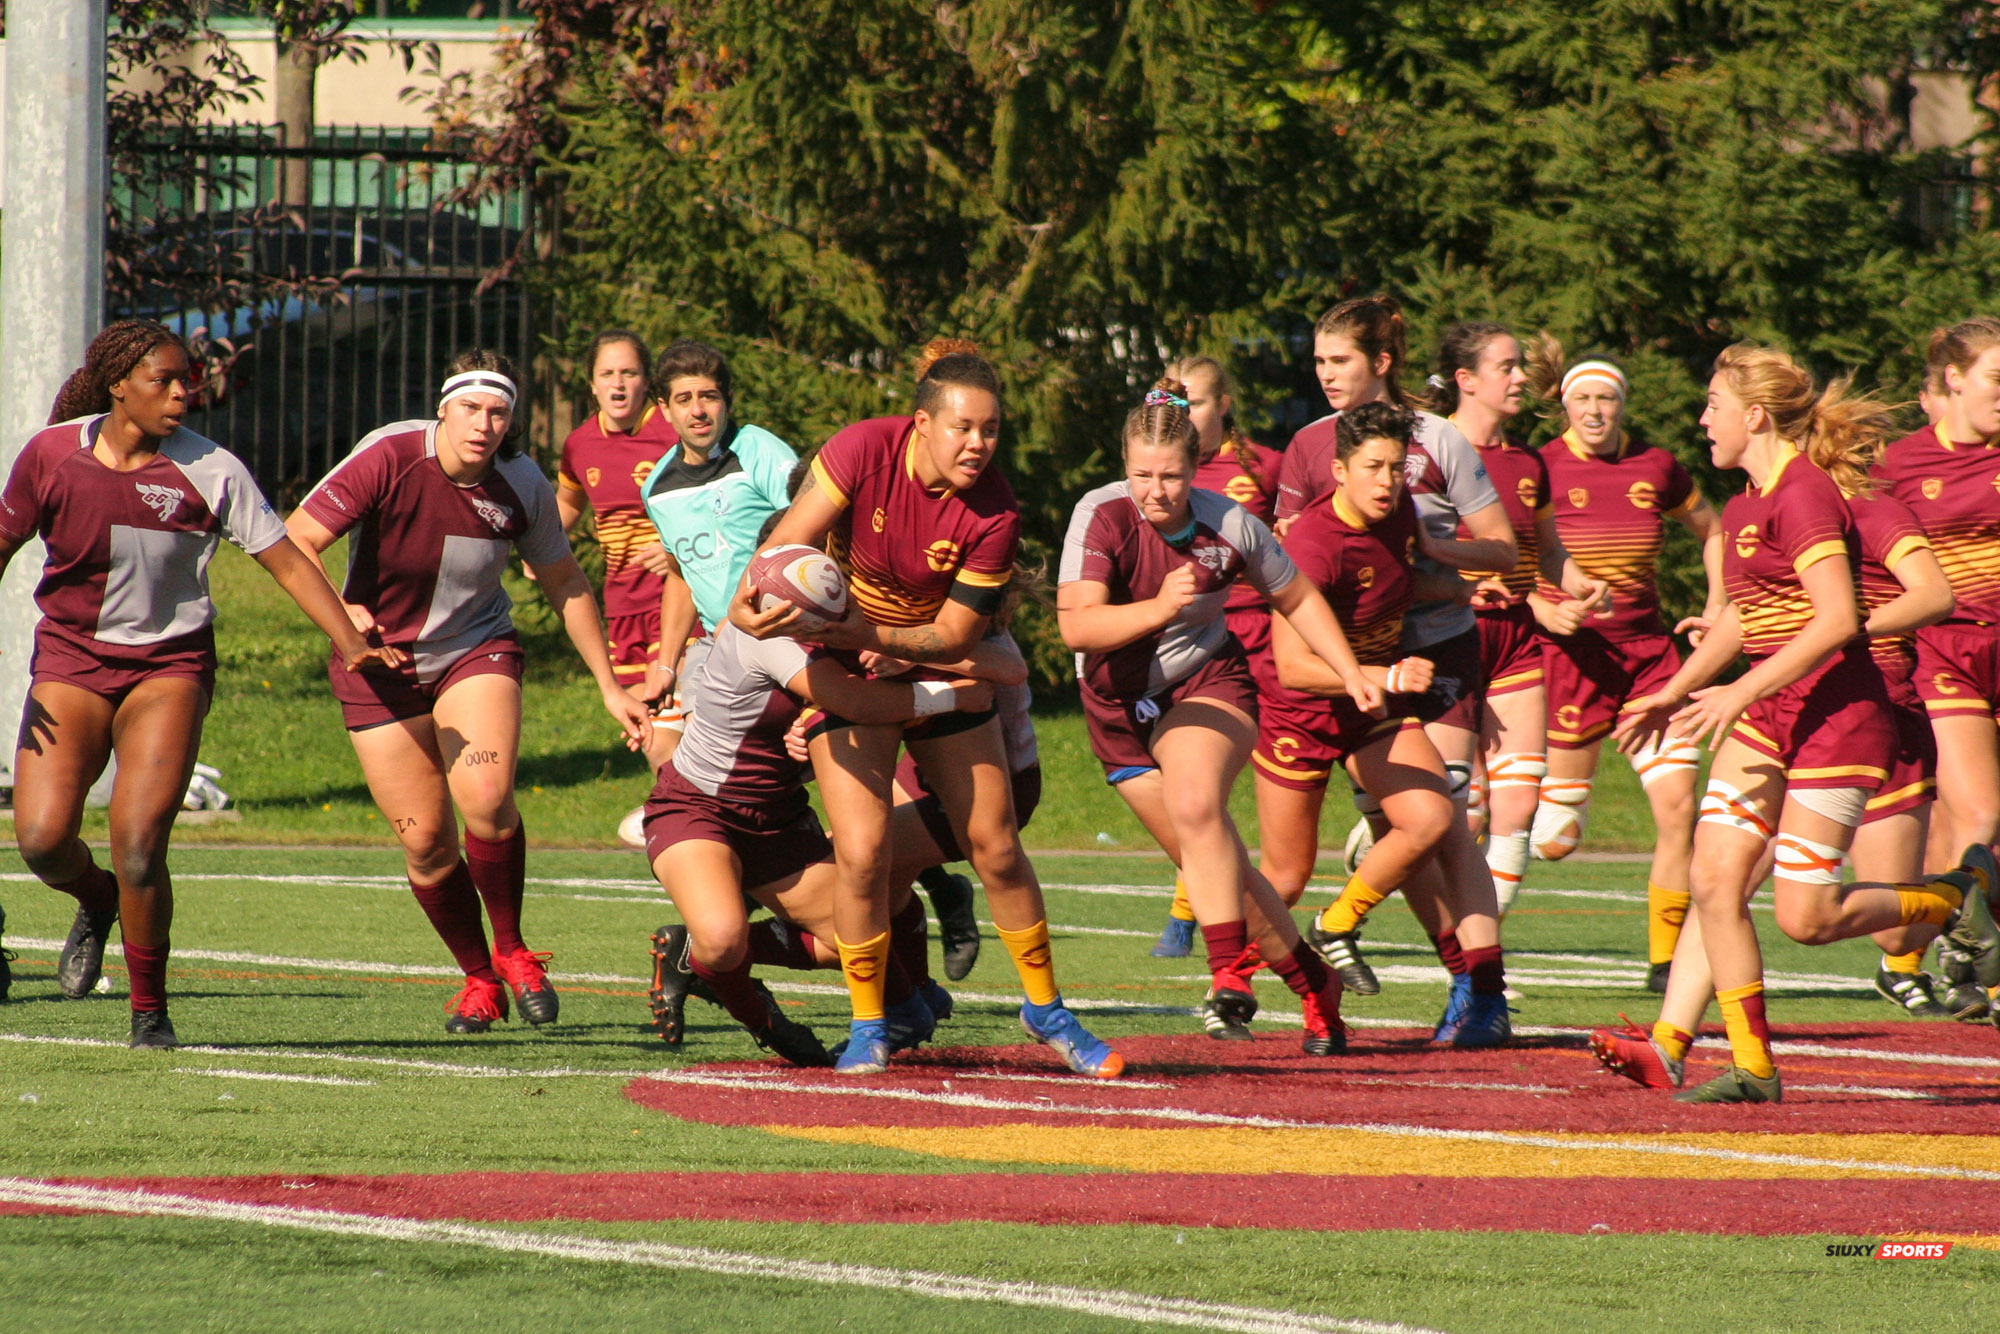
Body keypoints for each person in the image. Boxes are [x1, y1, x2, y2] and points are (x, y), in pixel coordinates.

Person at [1593, 345, 1996, 1104]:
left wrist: (1736, 693)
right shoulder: (1746, 503)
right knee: (1714, 880)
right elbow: (1749, 617)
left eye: (1712, 404)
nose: (1701, 418)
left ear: (1753, 415)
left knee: (1807, 918)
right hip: (1771, 709)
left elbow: (1845, 617)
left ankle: (1957, 894)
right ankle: (1749, 1067)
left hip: (1838, 716)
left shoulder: (1811, 495)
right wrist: (1675, 689)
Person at [0, 319, 398, 1047]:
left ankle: (149, 1012)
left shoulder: (211, 468)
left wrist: (350, 642)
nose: (186, 393)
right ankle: (98, 900)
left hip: (168, 667)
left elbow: (285, 562)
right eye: (167, 380)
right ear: (119, 386)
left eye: (190, 379)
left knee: (140, 842)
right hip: (72, 662)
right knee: (42, 840)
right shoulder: (52, 455)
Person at [735, 345, 1123, 1077]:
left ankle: (1047, 1010)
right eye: (963, 427)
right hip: (849, 672)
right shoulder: (860, 450)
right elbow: (789, 541)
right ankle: (869, 1025)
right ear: (921, 424)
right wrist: (749, 599)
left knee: (997, 844)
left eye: (991, 430)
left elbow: (954, 636)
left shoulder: (996, 511)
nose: (978, 444)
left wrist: (868, 634)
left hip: (926, 659)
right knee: (862, 852)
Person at [288, 349, 651, 1034]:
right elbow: (297, 540)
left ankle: (514, 950)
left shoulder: (522, 484)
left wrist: (610, 686)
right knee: (425, 842)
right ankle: (479, 978)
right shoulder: (389, 455)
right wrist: (344, 614)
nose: (483, 425)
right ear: (445, 408)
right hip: (376, 666)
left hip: (472, 650)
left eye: (498, 412)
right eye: (472, 409)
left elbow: (565, 581)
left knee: (485, 798)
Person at [1059, 381, 1372, 1053]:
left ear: (1196, 465)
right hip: (1115, 712)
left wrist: (1349, 671)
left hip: (1204, 683)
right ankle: (1315, 983)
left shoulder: (1229, 525)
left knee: (1197, 802)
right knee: (1216, 862)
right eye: (1142, 474)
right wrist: (1158, 607)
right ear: (1124, 464)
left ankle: (1229, 973)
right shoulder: (1100, 515)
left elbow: (1299, 599)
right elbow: (1079, 629)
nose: (1156, 490)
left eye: (1170, 476)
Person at [1256, 401, 1517, 1045]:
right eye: (1372, 467)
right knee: (1284, 875)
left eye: (1396, 468)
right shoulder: (1312, 546)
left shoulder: (1397, 510)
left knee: (1433, 819)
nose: (1386, 481)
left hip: (1369, 703)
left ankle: (1336, 926)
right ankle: (1231, 976)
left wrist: (1456, 588)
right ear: (1339, 470)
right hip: (1303, 709)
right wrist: (1382, 677)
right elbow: (1291, 665)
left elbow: (1394, 583)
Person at [639, 599, 996, 1068]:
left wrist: (814, 731)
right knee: (724, 938)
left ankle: (695, 957)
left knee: (858, 934)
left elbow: (1003, 667)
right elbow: (857, 703)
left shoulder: (848, 638)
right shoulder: (761, 635)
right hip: (699, 807)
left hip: (779, 819)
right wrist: (955, 694)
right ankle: (764, 1021)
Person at [1523, 340, 1726, 992]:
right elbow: (1506, 549)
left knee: (1676, 810)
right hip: (1572, 660)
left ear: (1622, 405)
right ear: (1564, 405)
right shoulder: (1541, 467)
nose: (1594, 410)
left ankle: (1664, 963)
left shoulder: (1658, 467)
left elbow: (1713, 529)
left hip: (1649, 661)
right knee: (1556, 836)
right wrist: (1540, 603)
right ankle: (1495, 827)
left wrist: (1719, 602)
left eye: (1605, 397)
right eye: (1581, 398)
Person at [1427, 323, 1598, 917]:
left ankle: (1483, 955)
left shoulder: (1528, 461)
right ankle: (1384, 859)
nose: (1522, 376)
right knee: (1461, 807)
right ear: (1466, 380)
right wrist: (1464, 580)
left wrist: (1579, 583)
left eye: (1520, 365)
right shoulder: (1428, 452)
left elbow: (1547, 551)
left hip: (1516, 639)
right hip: (1449, 635)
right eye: (1507, 366)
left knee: (1519, 804)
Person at [1875, 318, 2000, 1026]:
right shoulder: (1896, 466)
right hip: (1944, 656)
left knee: (1975, 831)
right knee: (1982, 813)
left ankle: (1921, 960)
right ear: (1953, 380)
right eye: (1996, 379)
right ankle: (1936, 952)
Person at [1143, 355, 1284, 959]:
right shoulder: (1149, 479)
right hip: (1193, 642)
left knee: (1227, 797)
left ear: (1223, 406)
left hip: (1263, 636)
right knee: (1196, 791)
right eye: (1175, 399)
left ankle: (1269, 947)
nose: (1184, 412)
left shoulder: (1265, 467)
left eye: (1197, 402)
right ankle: (1187, 914)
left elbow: (1291, 560)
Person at [554, 329, 680, 844]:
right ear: (592, 384)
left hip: (680, 607)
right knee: (651, 738)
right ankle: (688, 830)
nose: (619, 384)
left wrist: (676, 548)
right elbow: (566, 505)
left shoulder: (674, 432)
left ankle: (686, 828)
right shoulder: (580, 443)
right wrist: (529, 546)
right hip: (622, 610)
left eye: (629, 373)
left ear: (647, 381)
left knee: (671, 739)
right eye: (608, 374)